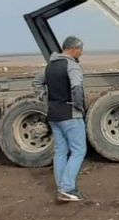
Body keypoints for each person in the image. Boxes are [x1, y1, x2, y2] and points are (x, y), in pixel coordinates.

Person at [33, 36, 87, 202]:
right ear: (74, 49)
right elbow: (77, 89)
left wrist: (46, 98)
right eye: (81, 49)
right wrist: (80, 108)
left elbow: (36, 82)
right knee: (79, 150)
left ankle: (62, 187)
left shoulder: (50, 66)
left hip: (54, 114)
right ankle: (67, 188)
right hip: (70, 114)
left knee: (60, 151)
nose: (82, 53)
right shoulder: (72, 65)